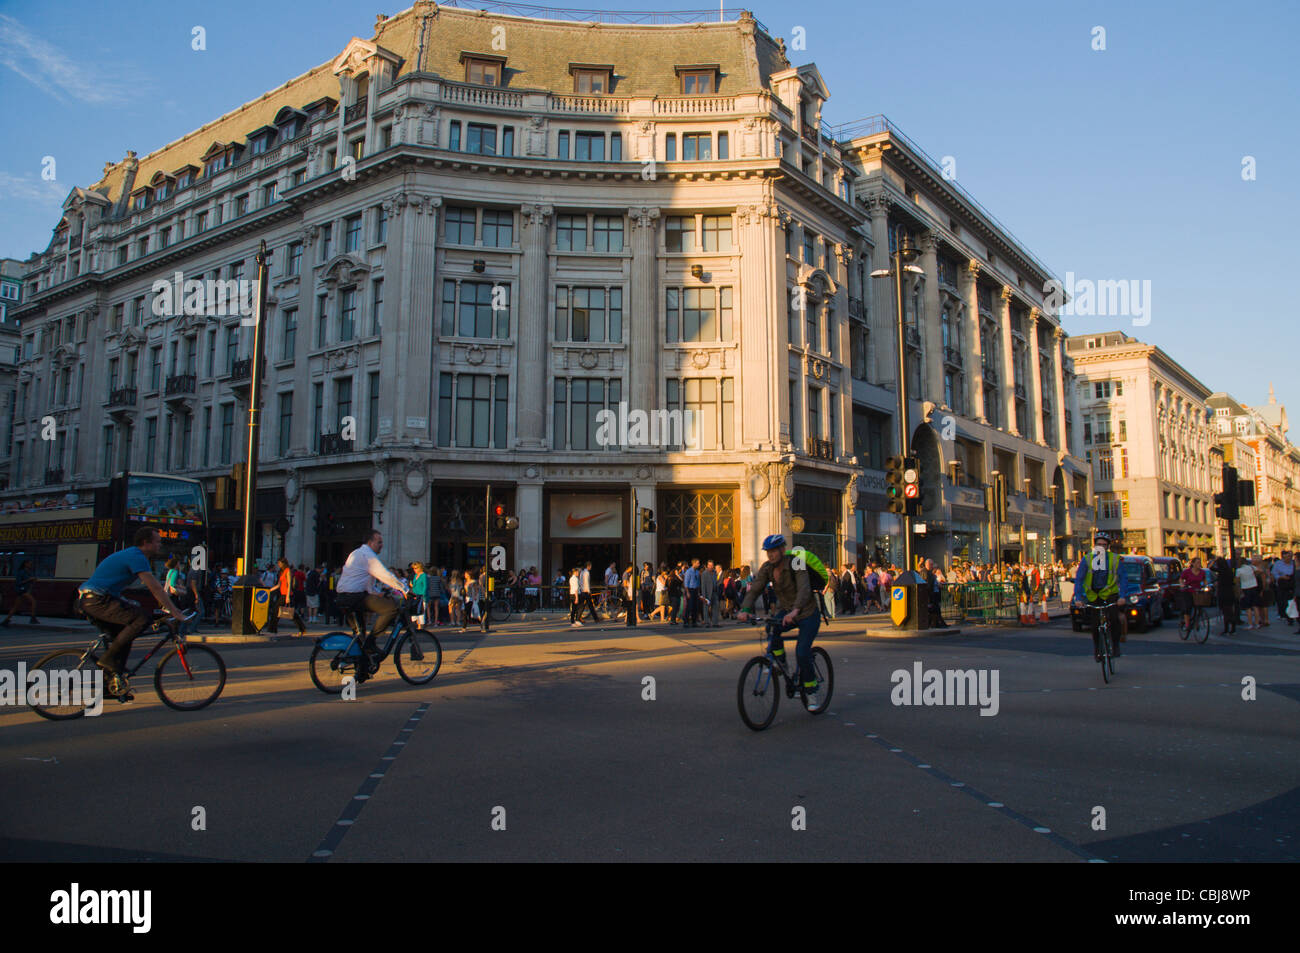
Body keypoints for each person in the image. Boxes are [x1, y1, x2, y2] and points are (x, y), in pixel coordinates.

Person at [77, 527, 187, 696]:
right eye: (157, 541)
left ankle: (111, 684)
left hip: (92, 599)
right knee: (141, 619)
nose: (160, 545)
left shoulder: (133, 555)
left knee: (126, 634)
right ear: (146, 543)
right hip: (97, 600)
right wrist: (175, 611)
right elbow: (155, 587)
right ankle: (107, 661)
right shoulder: (137, 556)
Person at [737, 535, 822, 697]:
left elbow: (804, 589)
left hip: (807, 613)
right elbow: (755, 589)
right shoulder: (767, 568)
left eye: (774, 551)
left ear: (782, 549)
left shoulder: (796, 563)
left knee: (802, 652)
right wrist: (745, 609)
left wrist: (795, 610)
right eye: (768, 551)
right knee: (771, 627)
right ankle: (781, 661)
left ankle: (811, 689)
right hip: (787, 610)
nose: (770, 555)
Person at [334, 529, 409, 677]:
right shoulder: (368, 556)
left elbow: (364, 581)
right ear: (370, 542)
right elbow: (384, 575)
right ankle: (373, 640)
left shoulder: (356, 553)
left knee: (360, 635)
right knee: (391, 608)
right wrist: (405, 589)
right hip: (354, 596)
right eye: (379, 542)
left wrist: (377, 592)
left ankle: (362, 669)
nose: (381, 545)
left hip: (344, 596)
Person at [1071, 533, 1137, 661]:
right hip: (1094, 595)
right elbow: (1079, 579)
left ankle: (1116, 645)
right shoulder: (1087, 559)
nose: (1101, 547)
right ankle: (1097, 649)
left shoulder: (1114, 559)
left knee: (1114, 618)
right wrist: (1078, 598)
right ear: (1094, 545)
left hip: (1110, 594)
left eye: (1104, 545)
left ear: (1108, 547)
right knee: (1095, 625)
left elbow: (1123, 579)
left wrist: (1122, 596)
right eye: (1099, 544)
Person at [272, 556, 308, 635]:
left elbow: (289, 584)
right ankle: (302, 628)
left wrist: (288, 596)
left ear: (283, 563)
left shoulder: (287, 571)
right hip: (283, 593)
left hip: (286, 594)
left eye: (279, 563)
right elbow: (279, 584)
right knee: (291, 613)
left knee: (277, 610)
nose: (278, 565)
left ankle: (273, 629)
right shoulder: (281, 572)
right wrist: (270, 590)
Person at [2, 559, 41, 626]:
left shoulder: (28, 572)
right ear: (25, 564)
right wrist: (29, 579)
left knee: (15, 606)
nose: (31, 565)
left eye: (31, 564)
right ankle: (32, 618)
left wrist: (33, 580)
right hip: (22, 590)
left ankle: (6, 620)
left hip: (24, 590)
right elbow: (18, 582)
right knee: (33, 601)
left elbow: (30, 581)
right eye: (29, 564)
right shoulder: (21, 572)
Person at [1178, 557, 1207, 631]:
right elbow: (1181, 579)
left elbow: (1204, 580)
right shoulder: (1187, 572)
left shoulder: (1202, 572)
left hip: (1197, 591)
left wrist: (1206, 586)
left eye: (1199, 562)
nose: (1199, 564)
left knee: (1200, 607)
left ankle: (1196, 621)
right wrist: (1182, 584)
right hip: (1188, 590)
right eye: (1197, 562)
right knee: (1188, 607)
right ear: (1193, 564)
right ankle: (1187, 624)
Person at [924, 558, 947, 628]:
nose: (931, 566)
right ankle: (933, 623)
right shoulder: (925, 572)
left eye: (932, 564)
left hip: (934, 594)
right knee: (933, 609)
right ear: (926, 564)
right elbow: (926, 583)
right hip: (930, 594)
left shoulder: (930, 573)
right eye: (930, 564)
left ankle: (937, 623)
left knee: (936, 609)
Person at [1274, 551, 1296, 626]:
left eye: (1290, 557)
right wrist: (1281, 577)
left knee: (1292, 601)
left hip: (1291, 584)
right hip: (1281, 584)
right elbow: (1274, 573)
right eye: (1286, 557)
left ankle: (1291, 617)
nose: (1288, 558)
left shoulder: (1293, 563)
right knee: (1282, 601)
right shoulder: (1278, 564)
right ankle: (1283, 614)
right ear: (1283, 557)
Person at [683, 557, 702, 628]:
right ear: (693, 563)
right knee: (689, 606)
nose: (699, 564)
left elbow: (698, 582)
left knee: (695, 606)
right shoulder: (688, 571)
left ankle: (694, 621)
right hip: (690, 589)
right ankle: (686, 621)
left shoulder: (697, 572)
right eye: (697, 563)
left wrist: (699, 591)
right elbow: (686, 583)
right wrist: (687, 592)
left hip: (695, 590)